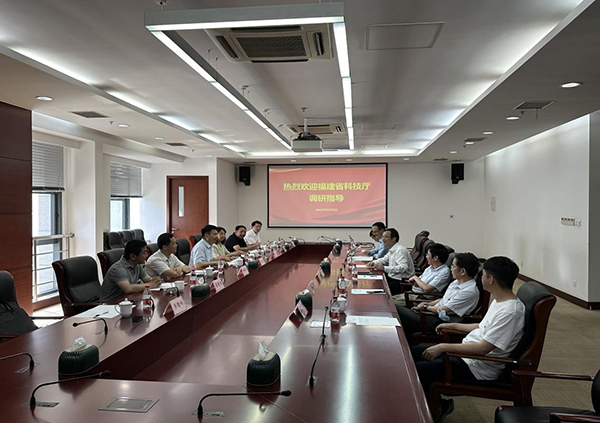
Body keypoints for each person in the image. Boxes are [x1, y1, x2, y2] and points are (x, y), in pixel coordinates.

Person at [411, 256, 525, 422]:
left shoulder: (509, 311)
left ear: (491, 279)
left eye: (483, 275)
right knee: (412, 353)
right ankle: (435, 405)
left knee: (416, 371)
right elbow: (482, 326)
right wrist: (453, 326)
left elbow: (482, 349)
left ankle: (427, 412)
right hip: (467, 356)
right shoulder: (500, 301)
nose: (480, 279)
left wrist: (442, 347)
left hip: (476, 366)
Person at [395, 252, 480, 339]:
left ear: (462, 271)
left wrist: (425, 307)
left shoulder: (469, 291)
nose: (451, 268)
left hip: (440, 322)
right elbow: (443, 299)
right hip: (431, 314)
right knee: (399, 316)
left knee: (396, 310)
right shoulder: (456, 282)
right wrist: (427, 304)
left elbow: (443, 309)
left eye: (453, 266)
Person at [367, 228, 414, 295]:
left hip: (401, 282)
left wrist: (384, 268)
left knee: (376, 286)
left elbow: (403, 267)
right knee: (374, 282)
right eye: (382, 237)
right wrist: (374, 262)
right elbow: (384, 259)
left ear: (394, 239)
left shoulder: (400, 250)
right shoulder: (393, 249)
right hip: (393, 277)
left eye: (386, 237)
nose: (383, 239)